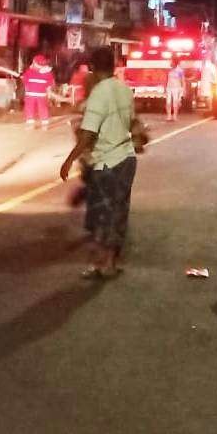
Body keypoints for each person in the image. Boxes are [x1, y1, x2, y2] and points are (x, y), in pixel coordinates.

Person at [60, 47, 139, 279]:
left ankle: (101, 264)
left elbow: (88, 134)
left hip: (107, 162)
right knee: (119, 211)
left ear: (93, 67)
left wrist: (68, 160)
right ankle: (112, 261)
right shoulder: (124, 90)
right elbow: (131, 122)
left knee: (102, 215)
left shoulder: (98, 94)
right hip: (127, 159)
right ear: (114, 66)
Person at [22, 54, 54, 129]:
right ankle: (44, 123)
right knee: (43, 108)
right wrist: (49, 92)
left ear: (35, 63)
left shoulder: (29, 71)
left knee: (29, 108)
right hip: (41, 95)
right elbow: (49, 84)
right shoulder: (48, 73)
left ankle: (30, 123)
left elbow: (25, 82)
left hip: (30, 95)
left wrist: (24, 80)